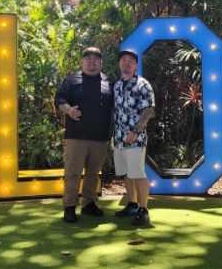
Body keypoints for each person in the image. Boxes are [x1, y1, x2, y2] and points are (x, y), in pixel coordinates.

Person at [55, 47, 113, 223]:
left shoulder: (108, 81)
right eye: (88, 58)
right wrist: (69, 110)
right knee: (72, 173)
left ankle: (88, 204)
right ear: (82, 61)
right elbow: (59, 99)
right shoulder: (72, 80)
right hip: (76, 137)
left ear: (101, 62)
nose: (92, 62)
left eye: (96, 59)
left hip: (100, 138)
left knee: (93, 174)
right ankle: (70, 207)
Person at [113, 49, 155, 226]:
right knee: (126, 174)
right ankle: (132, 204)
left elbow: (149, 110)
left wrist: (136, 132)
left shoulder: (143, 84)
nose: (127, 63)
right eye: (123, 60)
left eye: (131, 60)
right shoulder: (116, 85)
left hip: (135, 139)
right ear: (119, 63)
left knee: (138, 174)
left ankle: (144, 210)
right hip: (119, 138)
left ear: (136, 65)